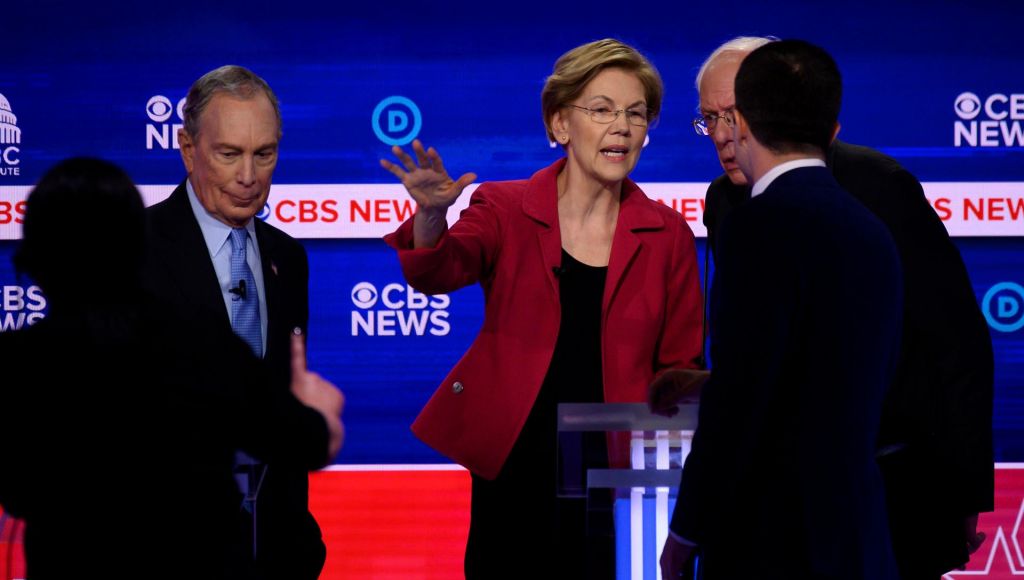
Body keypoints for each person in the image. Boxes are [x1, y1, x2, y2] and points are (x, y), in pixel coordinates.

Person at [380, 39, 703, 579]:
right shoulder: (504, 208)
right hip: (516, 465)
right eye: (601, 110)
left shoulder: (668, 233)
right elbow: (439, 272)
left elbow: (680, 371)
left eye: (636, 114)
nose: (621, 127)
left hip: (618, 474)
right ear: (559, 124)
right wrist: (433, 216)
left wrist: (669, 491)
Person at [695, 36, 994, 579]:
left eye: (732, 115)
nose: (721, 135)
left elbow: (957, 342)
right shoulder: (723, 202)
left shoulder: (879, 186)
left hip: (891, 481)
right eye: (708, 119)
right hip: (769, 504)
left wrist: (966, 490)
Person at [0, 157, 343, 579]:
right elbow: (303, 442)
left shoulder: (16, 364)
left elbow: (18, 492)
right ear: (139, 247)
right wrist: (318, 412)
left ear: (33, 262)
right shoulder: (203, 344)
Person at [661, 40, 904, 579]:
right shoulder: (871, 228)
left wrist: (686, 530)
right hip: (858, 536)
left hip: (774, 537)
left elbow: (742, 400)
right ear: (831, 127)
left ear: (743, 121)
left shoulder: (759, 225)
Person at [141, 65, 325, 579]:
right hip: (165, 551)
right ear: (187, 149)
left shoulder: (287, 258)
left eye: (263, 154)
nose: (249, 176)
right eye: (229, 154)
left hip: (276, 552)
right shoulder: (131, 250)